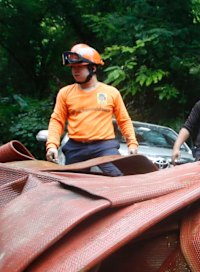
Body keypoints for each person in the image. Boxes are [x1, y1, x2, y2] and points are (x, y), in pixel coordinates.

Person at [46, 43, 137, 176]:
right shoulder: (65, 93)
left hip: (104, 146)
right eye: (72, 68)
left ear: (93, 68)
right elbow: (57, 120)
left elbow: (124, 121)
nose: (75, 71)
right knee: (72, 184)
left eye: (79, 67)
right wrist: (52, 145)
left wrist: (132, 144)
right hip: (75, 147)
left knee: (119, 178)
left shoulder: (111, 92)